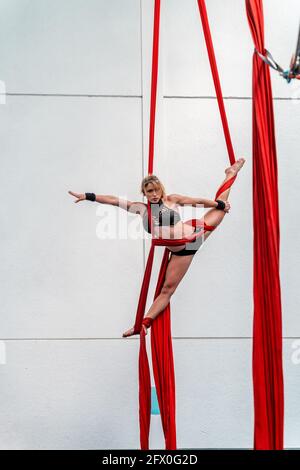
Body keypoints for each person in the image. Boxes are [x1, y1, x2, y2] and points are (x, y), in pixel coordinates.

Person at [68, 157, 245, 337]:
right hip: (180, 252)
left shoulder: (172, 200)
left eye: (156, 190)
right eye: (149, 191)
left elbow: (196, 201)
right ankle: (143, 324)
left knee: (221, 210)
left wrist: (218, 204)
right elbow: (114, 201)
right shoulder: (141, 209)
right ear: (144, 193)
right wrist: (89, 196)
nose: (153, 194)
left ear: (161, 189)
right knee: (167, 290)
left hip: (195, 234)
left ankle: (231, 173)